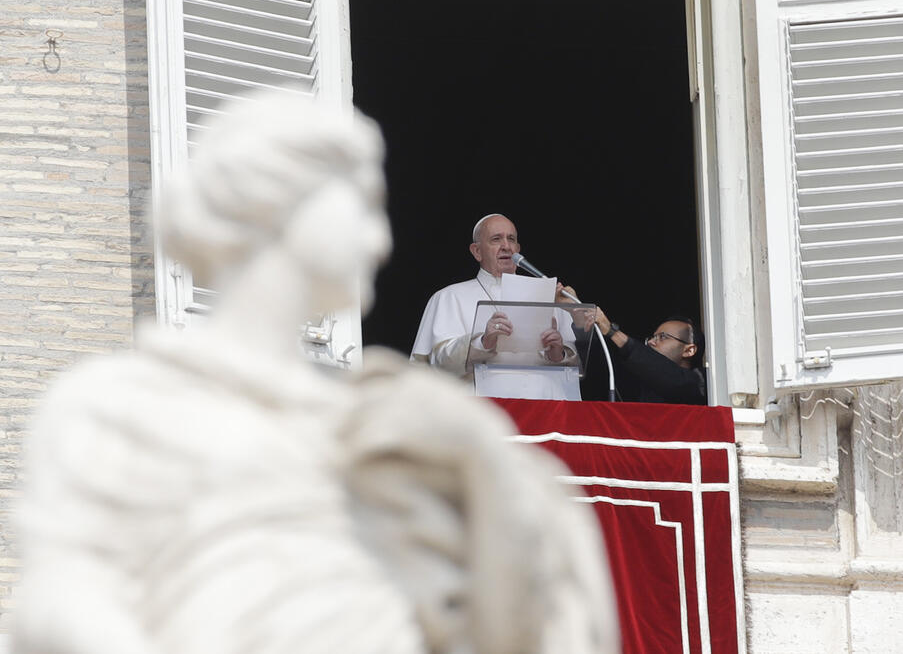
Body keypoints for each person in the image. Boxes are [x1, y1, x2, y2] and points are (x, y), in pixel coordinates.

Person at [13, 92, 619, 654]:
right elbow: (57, 607)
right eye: (358, 206)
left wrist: (488, 471)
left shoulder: (391, 420)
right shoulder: (116, 407)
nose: (379, 240)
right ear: (272, 210)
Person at [410, 213, 582, 400]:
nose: (506, 246)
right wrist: (483, 342)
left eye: (511, 239)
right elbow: (437, 365)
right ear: (477, 251)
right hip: (483, 414)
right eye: (496, 239)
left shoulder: (549, 296)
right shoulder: (449, 297)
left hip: (546, 412)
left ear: (518, 248)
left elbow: (575, 368)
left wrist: (557, 352)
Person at [592, 303, 707, 405]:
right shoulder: (640, 385)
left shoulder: (704, 383)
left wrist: (612, 332)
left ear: (689, 350)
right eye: (652, 337)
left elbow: (676, 381)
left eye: (662, 337)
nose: (651, 342)